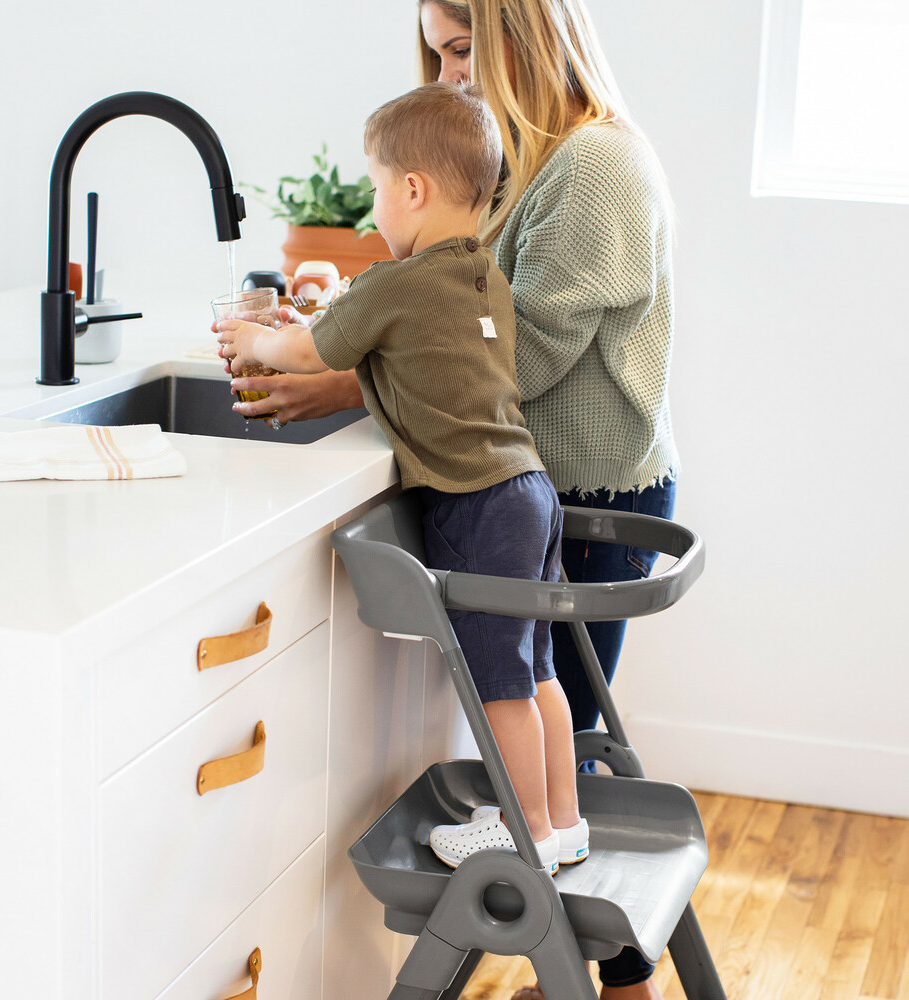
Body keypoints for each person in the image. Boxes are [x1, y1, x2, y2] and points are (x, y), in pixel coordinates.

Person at [233, 3, 679, 995]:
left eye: (464, 45)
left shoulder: (593, 168)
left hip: (581, 483)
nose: (449, 71)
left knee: (524, 701)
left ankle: (608, 976)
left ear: (527, 31)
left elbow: (507, 358)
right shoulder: (522, 157)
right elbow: (462, 318)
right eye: (436, 48)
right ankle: (576, 940)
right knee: (546, 701)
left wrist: (337, 368)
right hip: (538, 485)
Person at [216, 81, 591, 878]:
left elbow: (314, 353)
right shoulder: (481, 276)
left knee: (498, 682)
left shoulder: (397, 283)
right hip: (530, 492)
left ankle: (521, 830)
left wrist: (254, 335)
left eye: (378, 188)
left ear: (412, 189)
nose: (374, 211)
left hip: (481, 506)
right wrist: (321, 322)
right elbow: (392, 341)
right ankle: (562, 820)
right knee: (540, 671)